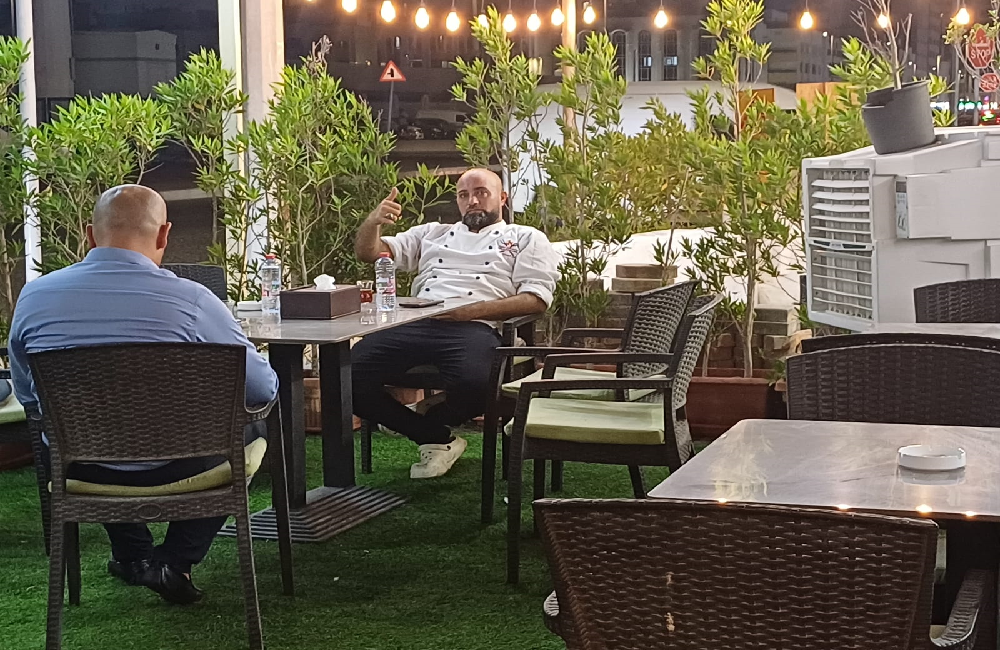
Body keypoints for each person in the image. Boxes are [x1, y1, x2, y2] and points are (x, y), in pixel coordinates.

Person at [8, 185, 278, 605]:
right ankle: (175, 561)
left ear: (90, 234)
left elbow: (29, 397)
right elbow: (262, 388)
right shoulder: (193, 300)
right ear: (165, 234)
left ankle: (133, 555)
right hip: (180, 463)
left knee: (85, 432)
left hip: (82, 469)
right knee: (254, 424)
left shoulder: (34, 297)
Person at [352, 168, 560, 479]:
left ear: (502, 198)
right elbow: (369, 253)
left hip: (477, 327)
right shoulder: (432, 233)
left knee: (478, 383)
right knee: (345, 375)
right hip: (418, 321)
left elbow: (536, 299)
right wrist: (373, 222)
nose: (472, 201)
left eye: (481, 193)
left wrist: (471, 312)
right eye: (464, 195)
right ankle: (434, 436)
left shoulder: (525, 237)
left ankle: (428, 416)